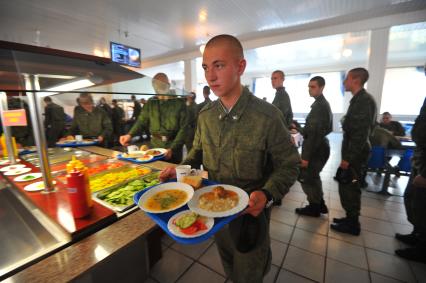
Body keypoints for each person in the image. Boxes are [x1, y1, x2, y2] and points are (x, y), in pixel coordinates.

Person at [160, 34, 300, 283]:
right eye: (205, 67)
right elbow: (196, 153)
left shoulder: (266, 117)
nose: (210, 76)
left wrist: (267, 194)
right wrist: (179, 169)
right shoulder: (206, 116)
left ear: (241, 67)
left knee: (249, 271)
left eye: (219, 65)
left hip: (250, 214)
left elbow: (289, 164)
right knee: (228, 265)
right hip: (213, 210)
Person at [331, 68, 377, 236]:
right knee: (348, 186)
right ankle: (350, 218)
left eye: (347, 79)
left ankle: (352, 223)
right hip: (353, 151)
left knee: (350, 185)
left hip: (355, 154)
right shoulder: (358, 100)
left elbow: (360, 134)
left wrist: (348, 159)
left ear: (355, 80)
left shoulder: (363, 101)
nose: (344, 83)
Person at [119, 73, 188, 163]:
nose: (158, 88)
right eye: (156, 85)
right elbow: (142, 121)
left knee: (173, 173)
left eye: (161, 85)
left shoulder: (179, 103)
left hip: (173, 146)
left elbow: (184, 129)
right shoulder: (151, 103)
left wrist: (173, 149)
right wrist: (130, 135)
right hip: (155, 146)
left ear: (168, 85)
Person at [394, 96, 426, 263]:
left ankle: (423, 248)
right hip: (419, 159)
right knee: (412, 200)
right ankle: (417, 234)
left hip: (424, 167)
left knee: (422, 206)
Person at [295, 76, 332, 217]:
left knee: (306, 177)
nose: (310, 90)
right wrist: (298, 128)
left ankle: (314, 206)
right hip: (320, 146)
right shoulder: (321, 104)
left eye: (313, 87)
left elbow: (314, 136)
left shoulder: (319, 107)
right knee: (314, 177)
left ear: (321, 87)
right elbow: (314, 130)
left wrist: (305, 158)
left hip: (316, 148)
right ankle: (319, 203)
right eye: (309, 87)